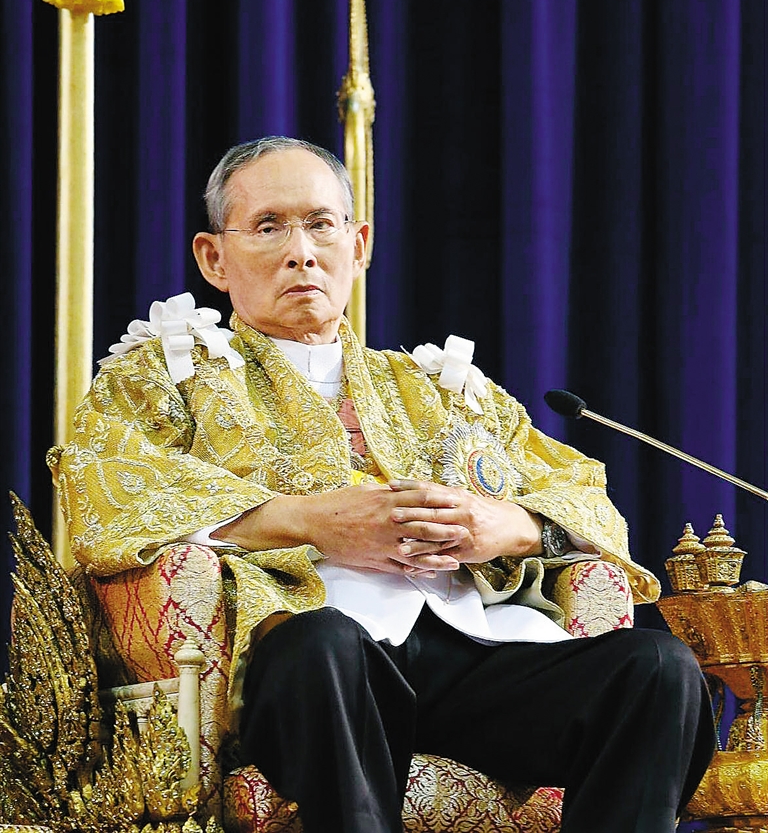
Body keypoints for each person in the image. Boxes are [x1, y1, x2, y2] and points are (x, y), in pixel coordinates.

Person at [50, 136, 715, 833]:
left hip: (472, 655)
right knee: (325, 644)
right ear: (214, 257)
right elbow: (110, 495)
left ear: (359, 244)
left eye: (321, 224)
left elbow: (582, 492)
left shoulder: (440, 389)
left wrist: (507, 528)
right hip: (311, 665)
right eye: (269, 227)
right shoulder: (167, 378)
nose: (301, 253)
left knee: (659, 668)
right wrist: (307, 521)